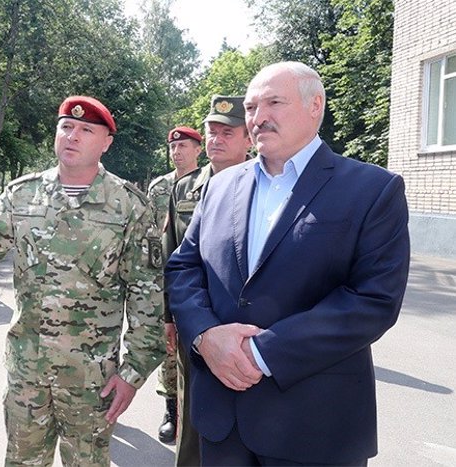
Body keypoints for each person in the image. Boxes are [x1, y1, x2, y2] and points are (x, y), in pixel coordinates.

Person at [165, 61, 411, 466]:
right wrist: (206, 337)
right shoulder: (221, 185)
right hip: (221, 423)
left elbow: (373, 300)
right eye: (250, 108)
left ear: (315, 105)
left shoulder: (372, 189)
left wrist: (262, 353)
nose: (258, 118)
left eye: (274, 103)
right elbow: (185, 267)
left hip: (313, 426)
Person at [0, 95, 166, 466]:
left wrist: (133, 372)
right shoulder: (22, 194)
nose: (73, 136)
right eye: (66, 127)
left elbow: (147, 295)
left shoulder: (129, 206)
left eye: (86, 130)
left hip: (90, 380)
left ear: (106, 142)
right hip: (28, 373)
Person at [163, 96, 252, 466]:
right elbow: (173, 255)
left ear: (249, 139)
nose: (215, 139)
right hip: (195, 319)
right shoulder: (185, 189)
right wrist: (170, 317)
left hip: (247, 319)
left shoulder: (268, 184)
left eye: (226, 132)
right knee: (195, 407)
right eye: (211, 131)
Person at [147, 126, 202, 444]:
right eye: (173, 147)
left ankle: (198, 412)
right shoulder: (159, 188)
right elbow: (152, 234)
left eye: (184, 146)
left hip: (198, 279)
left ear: (198, 149)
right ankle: (172, 410)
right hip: (165, 277)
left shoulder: (209, 182)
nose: (177, 152)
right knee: (169, 349)